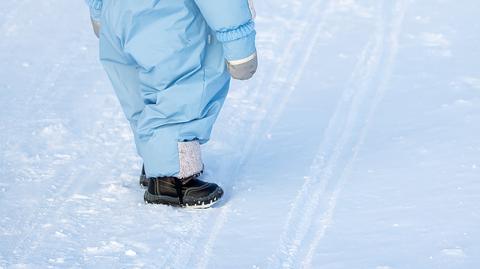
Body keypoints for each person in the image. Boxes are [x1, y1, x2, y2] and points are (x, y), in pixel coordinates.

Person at [85, 0, 258, 208]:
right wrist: (240, 47)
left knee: (137, 93)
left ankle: (156, 161)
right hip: (170, 23)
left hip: (117, 17)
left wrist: (99, 13)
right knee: (183, 85)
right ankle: (172, 179)